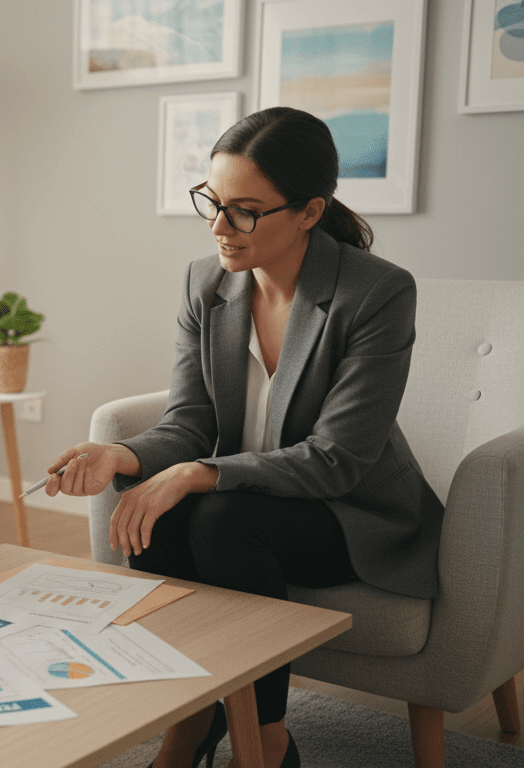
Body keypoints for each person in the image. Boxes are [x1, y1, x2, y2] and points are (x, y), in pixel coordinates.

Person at [42, 107, 444, 768]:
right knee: (160, 509)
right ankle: (193, 717)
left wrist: (201, 473)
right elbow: (190, 423)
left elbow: (338, 459)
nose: (218, 227)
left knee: (222, 515)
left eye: (244, 211)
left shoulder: (377, 293)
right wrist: (122, 455)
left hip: (351, 515)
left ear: (309, 211)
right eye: (213, 202)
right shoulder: (206, 282)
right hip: (250, 501)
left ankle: (266, 737)